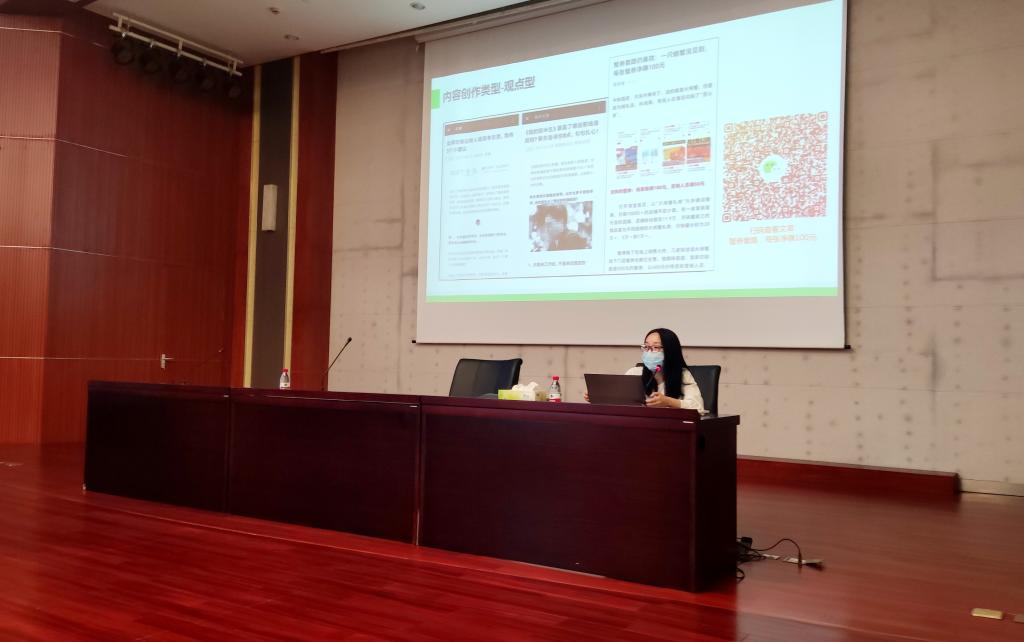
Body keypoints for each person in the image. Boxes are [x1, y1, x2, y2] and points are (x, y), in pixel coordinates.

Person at [627, 327, 705, 412]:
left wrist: (668, 402)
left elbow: (698, 407)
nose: (649, 352)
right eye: (646, 347)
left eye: (656, 347)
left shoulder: (682, 375)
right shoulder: (634, 373)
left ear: (670, 351)